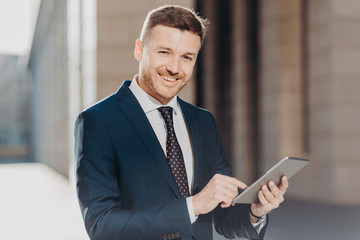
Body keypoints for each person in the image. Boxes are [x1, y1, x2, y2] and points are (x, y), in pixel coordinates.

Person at [74, 5, 288, 240]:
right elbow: (102, 227)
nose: (174, 68)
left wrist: (255, 213)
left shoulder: (203, 121)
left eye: (186, 57)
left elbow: (222, 217)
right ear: (139, 49)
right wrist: (192, 206)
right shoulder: (98, 122)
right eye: (164, 52)